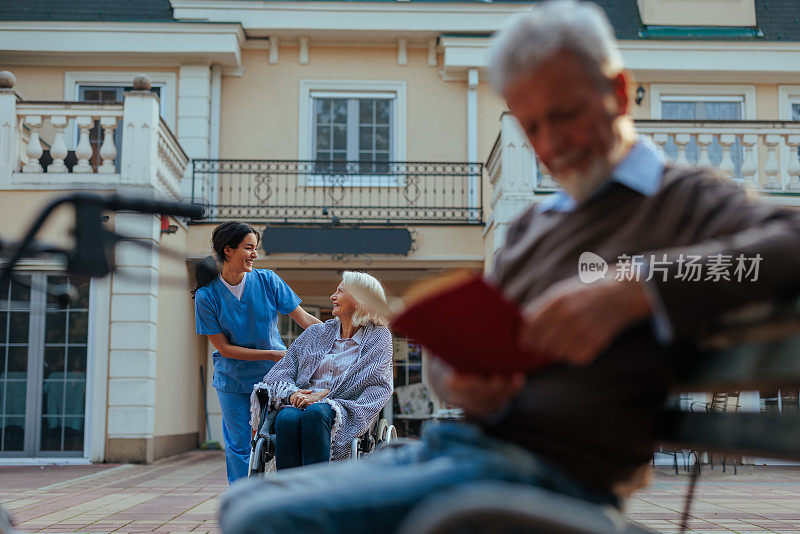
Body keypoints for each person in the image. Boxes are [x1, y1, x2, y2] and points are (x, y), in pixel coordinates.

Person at [219, 1, 800, 531]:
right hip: (460, 448)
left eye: (565, 114)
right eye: (531, 125)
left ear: (618, 93)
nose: (550, 143)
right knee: (242, 503)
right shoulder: (532, 228)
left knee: (267, 520)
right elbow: (456, 366)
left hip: (551, 474)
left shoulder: (681, 201)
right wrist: (457, 379)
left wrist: (638, 287)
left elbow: (786, 245)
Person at [193, 221, 321, 484]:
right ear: (228, 251)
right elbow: (224, 349)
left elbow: (305, 319)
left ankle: (281, 492)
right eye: (248, 248)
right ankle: (243, 499)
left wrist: (339, 335)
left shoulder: (267, 280)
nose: (255, 254)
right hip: (234, 381)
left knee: (279, 436)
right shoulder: (207, 296)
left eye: (256, 248)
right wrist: (272, 354)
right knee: (239, 446)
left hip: (274, 379)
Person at [251, 270, 393, 469]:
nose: (333, 296)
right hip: (302, 403)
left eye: (340, 291)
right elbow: (281, 371)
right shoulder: (316, 333)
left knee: (317, 413)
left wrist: (323, 396)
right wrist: (292, 394)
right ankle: (289, 493)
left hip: (344, 408)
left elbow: (372, 379)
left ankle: (317, 491)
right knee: (286, 417)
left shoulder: (378, 336)